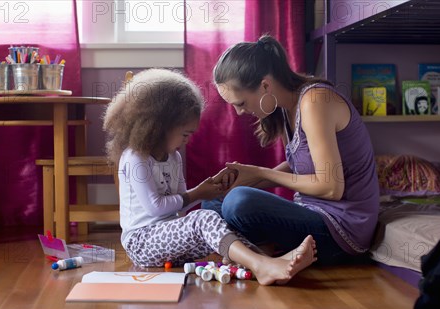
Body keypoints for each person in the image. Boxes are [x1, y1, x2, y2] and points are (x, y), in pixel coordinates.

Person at [103, 68, 317, 285]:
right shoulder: (136, 158)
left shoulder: (174, 157)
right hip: (142, 243)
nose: (186, 141)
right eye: (184, 134)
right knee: (203, 219)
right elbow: (156, 208)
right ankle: (261, 264)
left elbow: (180, 206)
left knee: (219, 220)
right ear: (158, 127)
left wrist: (210, 190)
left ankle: (265, 261)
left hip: (169, 239)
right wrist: (197, 192)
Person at [204, 35, 379, 265]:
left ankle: (256, 253)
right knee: (214, 198)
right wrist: (244, 180)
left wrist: (259, 174)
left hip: (342, 230)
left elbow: (331, 188)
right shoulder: (287, 106)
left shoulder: (315, 101)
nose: (239, 113)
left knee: (238, 201)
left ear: (265, 85)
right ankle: (260, 252)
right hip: (311, 212)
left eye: (241, 103)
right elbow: (298, 165)